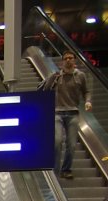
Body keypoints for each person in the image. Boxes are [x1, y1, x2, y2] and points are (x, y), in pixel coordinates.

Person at [40, 50, 92, 180]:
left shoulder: (80, 76)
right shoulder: (57, 76)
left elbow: (86, 91)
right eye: (66, 58)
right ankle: (55, 170)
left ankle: (66, 169)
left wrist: (88, 101)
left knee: (72, 144)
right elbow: (45, 90)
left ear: (74, 61)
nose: (68, 60)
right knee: (57, 141)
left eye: (71, 58)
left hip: (73, 113)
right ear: (62, 61)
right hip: (57, 112)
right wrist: (52, 78)